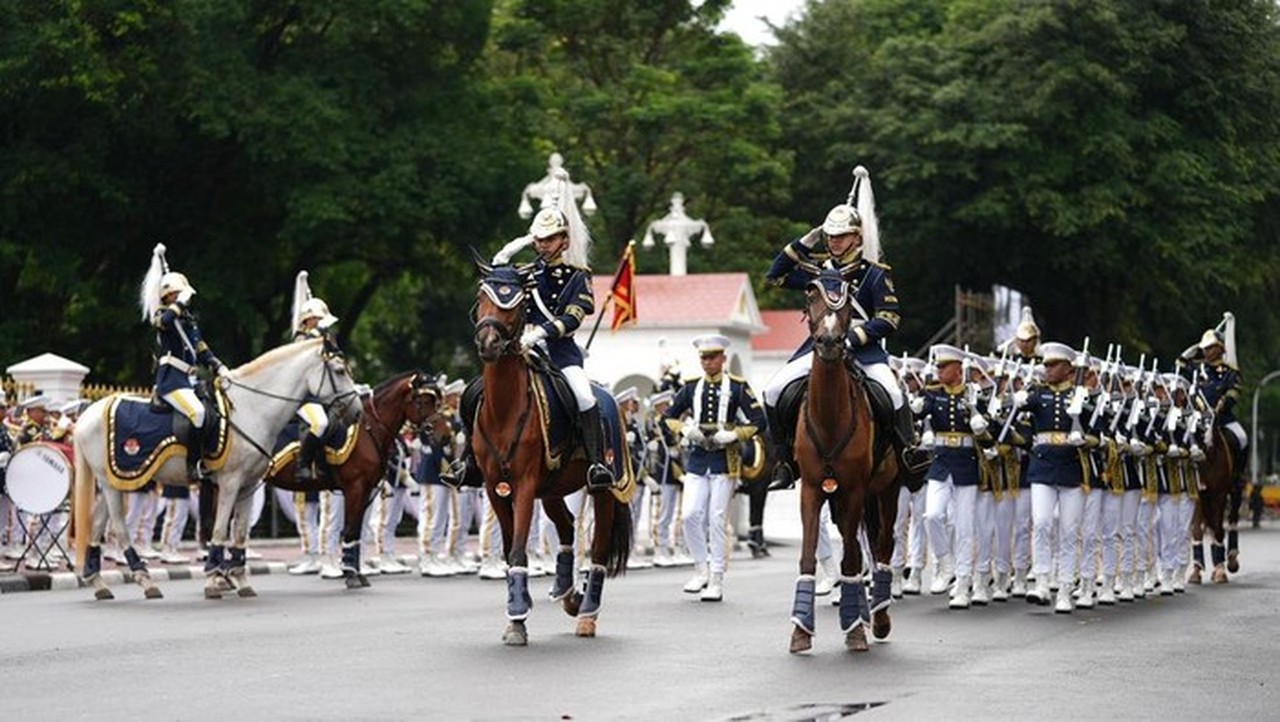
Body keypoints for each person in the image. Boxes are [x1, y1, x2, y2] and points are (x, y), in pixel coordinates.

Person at [762, 166, 923, 490]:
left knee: (893, 394)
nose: (835, 242)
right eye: (831, 236)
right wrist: (802, 243)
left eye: (842, 236)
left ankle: (907, 455)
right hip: (820, 346)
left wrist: (854, 337)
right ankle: (783, 462)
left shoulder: (875, 273)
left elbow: (889, 317)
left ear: (857, 237)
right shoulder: (819, 272)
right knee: (773, 390)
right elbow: (775, 276)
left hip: (863, 349)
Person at [464, 172, 613, 492]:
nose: (543, 245)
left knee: (585, 397)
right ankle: (468, 460)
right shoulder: (525, 272)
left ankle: (597, 463)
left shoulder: (578, 275)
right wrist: (505, 256)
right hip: (522, 351)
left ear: (564, 240)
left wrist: (542, 333)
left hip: (559, 353)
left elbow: (575, 316)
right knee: (475, 393)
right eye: (539, 240)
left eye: (549, 239)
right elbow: (501, 294)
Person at [662, 334, 766, 602]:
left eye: (711, 357)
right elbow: (669, 417)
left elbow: (758, 420)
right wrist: (687, 429)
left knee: (717, 519)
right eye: (703, 358)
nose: (707, 363)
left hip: (725, 460)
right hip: (698, 459)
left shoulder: (738, 387)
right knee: (690, 515)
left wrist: (733, 435)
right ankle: (701, 569)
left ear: (722, 358)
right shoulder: (690, 387)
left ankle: (717, 577)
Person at [140, 244, 229, 482]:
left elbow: (200, 348)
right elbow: (164, 322)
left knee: (214, 410)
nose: (185, 300)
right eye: (180, 295)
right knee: (197, 413)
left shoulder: (188, 320)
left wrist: (218, 366)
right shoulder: (163, 314)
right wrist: (177, 305)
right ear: (169, 295)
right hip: (171, 381)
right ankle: (193, 464)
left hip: (189, 379)